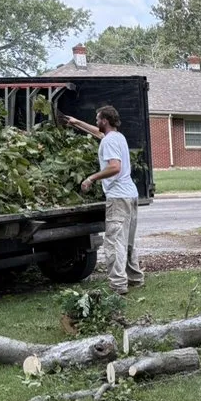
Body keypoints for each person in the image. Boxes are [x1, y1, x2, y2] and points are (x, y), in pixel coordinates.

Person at [65, 106, 144, 295]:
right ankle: (135, 278)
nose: (96, 122)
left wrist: (91, 178)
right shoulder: (118, 137)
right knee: (128, 240)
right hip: (131, 195)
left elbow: (115, 167)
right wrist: (77, 123)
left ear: (105, 121)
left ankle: (118, 285)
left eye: (97, 119)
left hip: (118, 197)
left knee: (114, 241)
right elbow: (97, 133)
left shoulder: (109, 142)